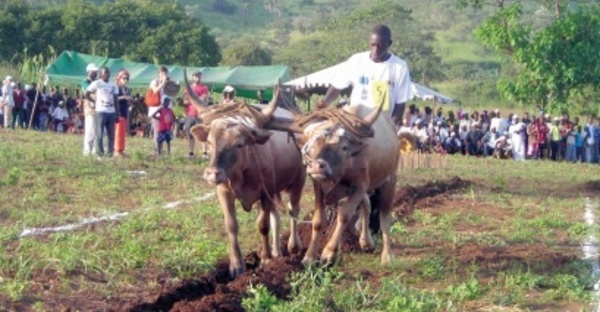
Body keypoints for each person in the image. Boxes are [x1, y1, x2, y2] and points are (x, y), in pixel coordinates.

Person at [315, 24, 411, 126]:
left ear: (389, 44)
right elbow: (337, 86)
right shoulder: (356, 61)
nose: (375, 49)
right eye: (373, 45)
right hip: (354, 122)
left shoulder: (400, 67)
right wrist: (325, 102)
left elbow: (400, 104)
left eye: (380, 45)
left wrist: (392, 128)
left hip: (382, 126)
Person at [85, 67, 119, 157]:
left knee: (111, 134)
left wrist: (117, 113)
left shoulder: (113, 85)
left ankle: (110, 153)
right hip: (100, 111)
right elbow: (86, 94)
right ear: (101, 74)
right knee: (99, 134)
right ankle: (100, 153)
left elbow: (116, 99)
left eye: (108, 73)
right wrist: (94, 101)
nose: (107, 74)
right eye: (105, 73)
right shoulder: (97, 83)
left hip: (111, 112)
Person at [183, 71, 209, 159]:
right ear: (193, 77)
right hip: (190, 113)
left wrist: (192, 99)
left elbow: (203, 98)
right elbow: (185, 101)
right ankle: (191, 153)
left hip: (200, 114)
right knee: (190, 133)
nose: (197, 78)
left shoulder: (204, 87)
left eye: (198, 76)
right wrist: (193, 100)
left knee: (202, 133)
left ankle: (204, 153)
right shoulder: (188, 88)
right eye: (195, 76)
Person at [148, 65, 172, 155]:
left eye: (165, 73)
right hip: (156, 109)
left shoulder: (168, 83)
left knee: (165, 130)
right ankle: (157, 150)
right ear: (159, 74)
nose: (163, 75)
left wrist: (170, 84)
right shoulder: (155, 82)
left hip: (166, 110)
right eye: (162, 73)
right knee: (157, 130)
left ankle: (161, 149)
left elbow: (172, 94)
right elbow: (155, 90)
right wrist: (162, 83)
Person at [115, 69, 133, 157]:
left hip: (124, 111)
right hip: (118, 112)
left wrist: (130, 100)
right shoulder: (116, 88)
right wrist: (124, 97)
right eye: (124, 78)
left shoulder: (126, 89)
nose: (126, 80)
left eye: (127, 79)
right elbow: (114, 99)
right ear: (119, 78)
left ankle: (121, 149)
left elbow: (128, 100)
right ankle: (117, 150)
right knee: (118, 132)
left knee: (123, 133)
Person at [82, 63, 99, 156]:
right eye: (94, 72)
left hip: (98, 108)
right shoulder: (85, 82)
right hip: (90, 108)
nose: (96, 73)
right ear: (88, 72)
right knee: (90, 130)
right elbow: (88, 91)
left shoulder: (97, 82)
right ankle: (87, 150)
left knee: (97, 130)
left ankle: (95, 150)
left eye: (96, 72)